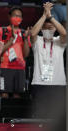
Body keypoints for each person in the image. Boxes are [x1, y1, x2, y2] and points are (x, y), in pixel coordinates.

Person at [30, 2, 66, 131]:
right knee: (39, 119)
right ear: (41, 29)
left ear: (55, 29)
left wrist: (50, 18)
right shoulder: (38, 42)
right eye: (46, 28)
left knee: (58, 119)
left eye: (51, 28)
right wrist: (44, 16)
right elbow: (33, 34)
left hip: (58, 85)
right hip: (40, 84)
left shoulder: (59, 42)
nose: (49, 29)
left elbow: (65, 33)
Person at [0, 6, 31, 99]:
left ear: (22, 19)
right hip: (5, 67)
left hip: (20, 68)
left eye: (19, 16)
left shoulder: (24, 33)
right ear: (9, 16)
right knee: (4, 94)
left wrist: (26, 39)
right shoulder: (1, 30)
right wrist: (10, 41)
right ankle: (4, 113)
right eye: (15, 15)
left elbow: (26, 54)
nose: (17, 18)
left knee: (17, 95)